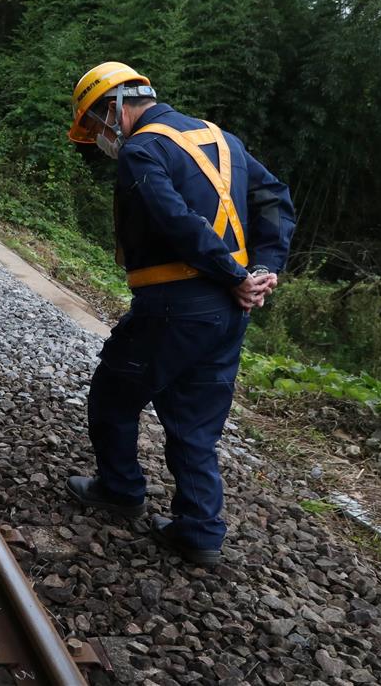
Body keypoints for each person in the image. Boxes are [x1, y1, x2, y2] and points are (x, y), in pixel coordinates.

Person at [63, 62, 295, 566]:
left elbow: (173, 220)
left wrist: (235, 275)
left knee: (113, 395)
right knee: (194, 421)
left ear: (114, 107)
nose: (100, 138)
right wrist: (261, 268)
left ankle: (121, 490)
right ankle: (200, 531)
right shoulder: (221, 138)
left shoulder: (143, 149)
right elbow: (274, 196)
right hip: (230, 312)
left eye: (97, 125)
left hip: (176, 304)